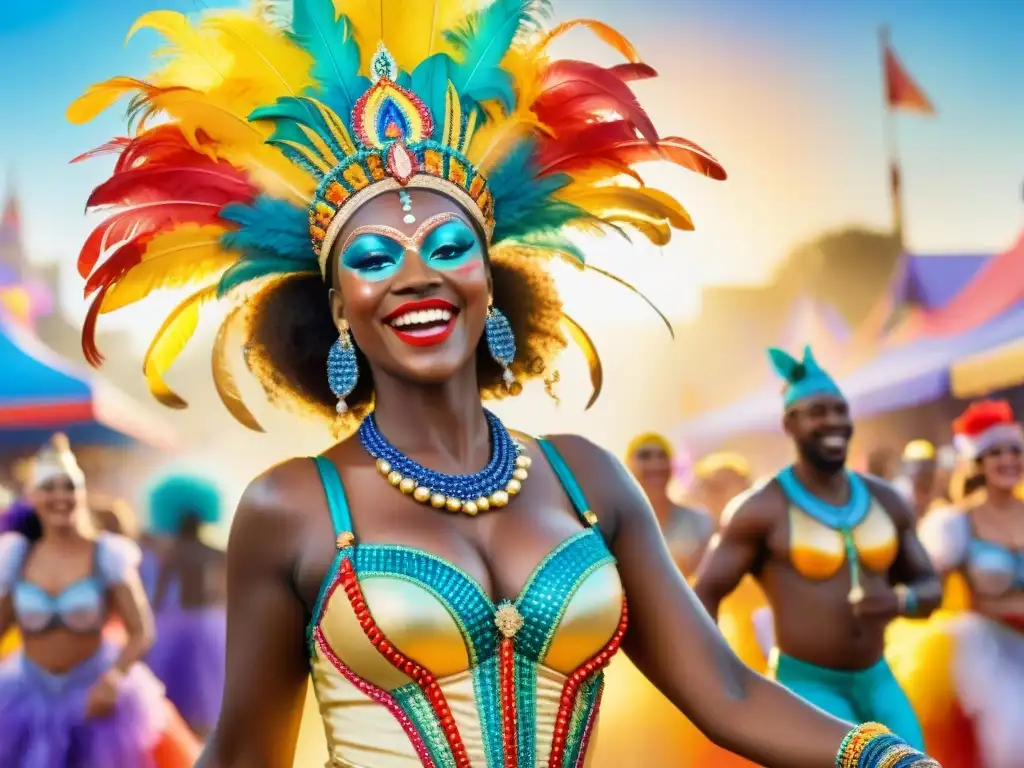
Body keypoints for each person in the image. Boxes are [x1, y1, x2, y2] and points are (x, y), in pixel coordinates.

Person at [69, 2, 939, 766]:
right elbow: (248, 755)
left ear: (491, 279)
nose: (417, 275)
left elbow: (729, 696)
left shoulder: (586, 478)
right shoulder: (290, 507)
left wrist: (892, 762)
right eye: (375, 260)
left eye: (449, 248)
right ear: (338, 307)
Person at [695, 345, 942, 750]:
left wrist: (898, 602)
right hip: (804, 687)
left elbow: (930, 586)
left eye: (839, 410)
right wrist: (720, 682)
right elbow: (703, 594)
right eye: (818, 412)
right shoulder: (762, 508)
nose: (833, 422)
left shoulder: (886, 499)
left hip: (877, 678)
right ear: (789, 424)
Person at [0, 434, 199, 766]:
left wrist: (114, 679)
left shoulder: (107, 553)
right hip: (25, 695)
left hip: (98, 697)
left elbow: (141, 631)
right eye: (49, 488)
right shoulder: (16, 556)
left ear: (81, 493)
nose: (60, 497)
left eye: (69, 487)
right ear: (33, 497)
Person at [889, 400, 1024, 768]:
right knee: (1013, 738)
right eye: (996, 452)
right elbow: (926, 586)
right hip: (993, 654)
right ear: (978, 462)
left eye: (1015, 450)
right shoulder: (954, 524)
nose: (1008, 460)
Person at [145, 473, 228, 738]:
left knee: (189, 687)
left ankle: (193, 735)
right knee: (199, 687)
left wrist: (156, 614)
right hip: (202, 621)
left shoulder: (176, 553)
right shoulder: (212, 552)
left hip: (186, 622)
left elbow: (159, 593)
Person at [625, 432, 713, 576]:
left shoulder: (699, 521)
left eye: (662, 456)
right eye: (644, 456)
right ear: (628, 465)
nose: (655, 464)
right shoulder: (617, 524)